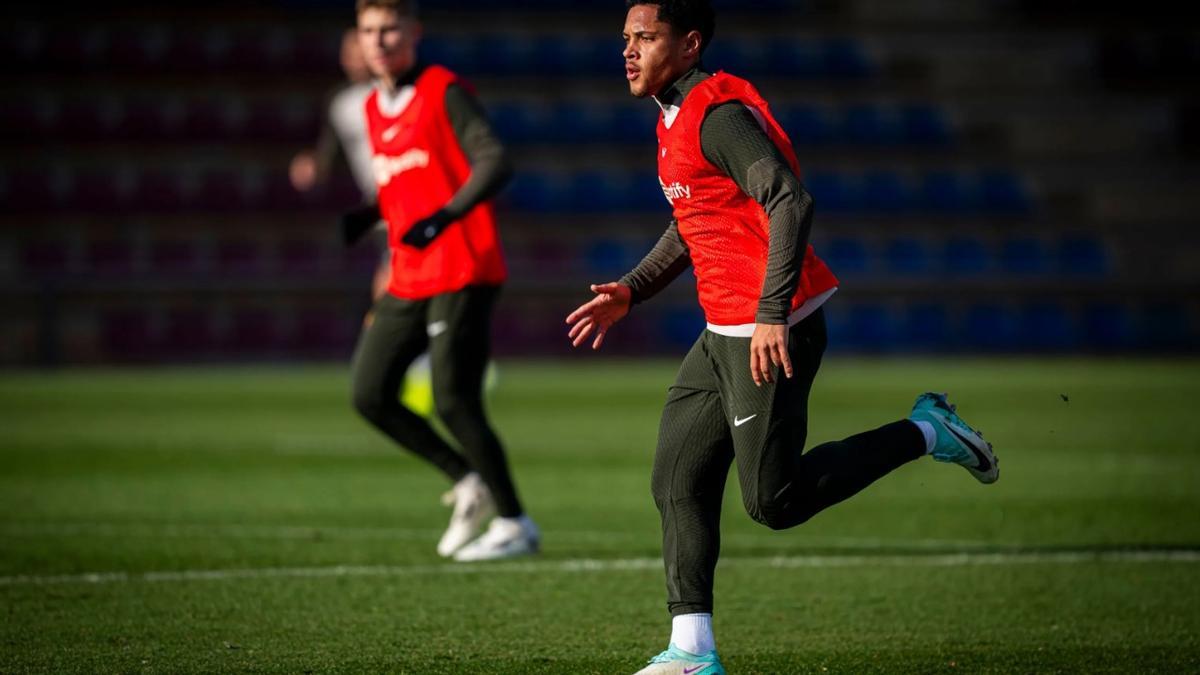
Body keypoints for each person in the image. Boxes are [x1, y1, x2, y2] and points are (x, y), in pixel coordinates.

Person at [564, 2, 999, 672]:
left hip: (770, 328)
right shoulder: (674, 115)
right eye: (624, 38)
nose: (628, 50)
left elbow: (790, 200)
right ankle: (691, 653)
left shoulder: (717, 115)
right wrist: (634, 286)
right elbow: (697, 216)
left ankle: (928, 431)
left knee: (774, 501)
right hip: (724, 329)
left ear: (688, 44)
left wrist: (771, 313)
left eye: (645, 38)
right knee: (677, 477)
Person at [350, 0, 539, 562]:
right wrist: (374, 226)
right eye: (368, 31)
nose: (379, 40)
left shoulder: (441, 89)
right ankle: (466, 480)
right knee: (369, 392)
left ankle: (515, 523)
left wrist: (445, 215)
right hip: (407, 276)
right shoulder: (372, 107)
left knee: (455, 400)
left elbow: (494, 161)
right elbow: (399, 191)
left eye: (389, 29)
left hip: (462, 267)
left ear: (413, 32)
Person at [289, 29, 391, 301]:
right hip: (378, 199)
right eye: (350, 54)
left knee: (396, 272)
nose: (356, 60)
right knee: (391, 271)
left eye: (362, 53)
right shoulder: (340, 102)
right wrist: (312, 166)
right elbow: (328, 154)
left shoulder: (395, 90)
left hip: (409, 191)